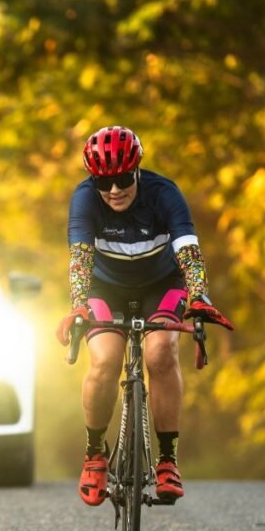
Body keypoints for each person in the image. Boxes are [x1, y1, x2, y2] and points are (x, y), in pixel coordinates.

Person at [55, 125, 233, 506]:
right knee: (104, 359)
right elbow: (81, 258)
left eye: (122, 178)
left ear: (136, 170)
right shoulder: (85, 199)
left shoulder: (164, 194)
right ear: (93, 181)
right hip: (107, 288)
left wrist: (199, 296)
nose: (114, 190)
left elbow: (188, 249)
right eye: (104, 182)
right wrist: (79, 303)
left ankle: (167, 460)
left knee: (160, 354)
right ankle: (94, 454)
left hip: (161, 284)